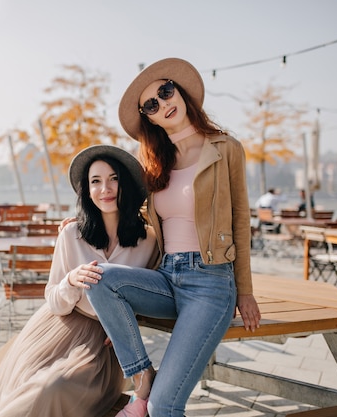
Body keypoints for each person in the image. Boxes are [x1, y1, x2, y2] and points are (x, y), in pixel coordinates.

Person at [84, 58, 262, 417]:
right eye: (152, 104)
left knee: (164, 406)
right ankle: (141, 375)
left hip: (211, 284)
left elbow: (241, 220)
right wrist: (75, 222)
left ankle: (152, 394)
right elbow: (123, 212)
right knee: (99, 278)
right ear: (148, 118)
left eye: (166, 92)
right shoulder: (152, 164)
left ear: (179, 92)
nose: (164, 104)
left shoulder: (225, 148)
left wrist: (245, 290)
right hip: (167, 276)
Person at [0, 145, 157, 417]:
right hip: (58, 329)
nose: (106, 189)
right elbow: (53, 298)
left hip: (103, 343)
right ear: (87, 191)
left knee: (55, 388)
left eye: (114, 179)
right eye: (96, 181)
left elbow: (151, 292)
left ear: (126, 184)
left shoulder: (149, 241)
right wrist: (71, 280)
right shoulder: (72, 234)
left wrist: (127, 320)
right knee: (35, 389)